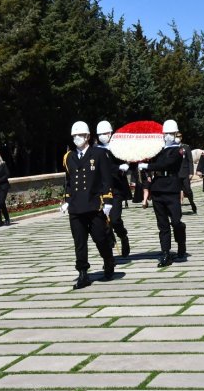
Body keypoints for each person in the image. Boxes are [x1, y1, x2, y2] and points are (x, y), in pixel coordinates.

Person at [60, 121, 115, 289]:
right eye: (74, 136)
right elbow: (69, 182)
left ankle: (108, 260)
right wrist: (67, 201)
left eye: (80, 135)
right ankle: (83, 273)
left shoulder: (98, 154)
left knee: (100, 238)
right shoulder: (68, 157)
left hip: (94, 204)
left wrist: (108, 201)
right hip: (76, 206)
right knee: (80, 241)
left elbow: (106, 179)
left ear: (88, 137)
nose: (77, 138)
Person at [138, 120, 187, 266]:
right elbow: (150, 157)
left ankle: (181, 243)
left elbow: (167, 164)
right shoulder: (158, 149)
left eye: (171, 133)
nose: (169, 136)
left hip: (171, 187)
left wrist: (148, 165)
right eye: (166, 133)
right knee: (162, 224)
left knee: (176, 222)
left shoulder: (178, 150)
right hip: (158, 187)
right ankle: (165, 253)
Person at [95, 121, 132, 257]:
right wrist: (117, 168)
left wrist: (126, 165)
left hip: (116, 189)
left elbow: (129, 160)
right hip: (101, 190)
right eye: (101, 134)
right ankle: (109, 251)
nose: (104, 136)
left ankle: (123, 236)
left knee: (115, 219)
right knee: (104, 222)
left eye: (106, 133)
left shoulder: (117, 148)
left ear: (111, 133)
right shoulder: (95, 151)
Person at [175, 132, 197, 214]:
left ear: (181, 138)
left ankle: (192, 203)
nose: (177, 138)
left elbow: (190, 160)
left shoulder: (186, 147)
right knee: (176, 191)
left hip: (185, 172)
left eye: (179, 137)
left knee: (188, 190)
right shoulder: (172, 147)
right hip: (176, 173)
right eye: (176, 136)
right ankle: (177, 207)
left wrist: (191, 172)